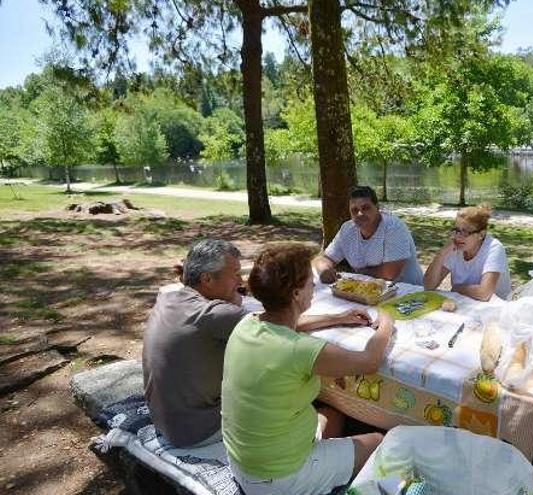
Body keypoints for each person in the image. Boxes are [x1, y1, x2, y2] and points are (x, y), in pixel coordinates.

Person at [143, 239, 370, 449]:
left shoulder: (169, 298)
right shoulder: (212, 314)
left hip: (167, 420)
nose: (240, 281)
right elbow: (281, 323)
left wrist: (233, 296)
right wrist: (338, 318)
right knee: (331, 414)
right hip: (196, 430)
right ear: (206, 279)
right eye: (234, 274)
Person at [222, 242, 393, 495]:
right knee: (378, 441)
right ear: (295, 294)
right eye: (309, 280)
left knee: (332, 415)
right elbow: (369, 361)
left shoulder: (247, 323)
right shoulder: (300, 350)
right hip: (280, 477)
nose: (314, 285)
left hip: (243, 462)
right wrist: (387, 324)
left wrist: (338, 318)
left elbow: (292, 326)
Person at [314, 185, 423, 286]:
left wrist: (359, 273)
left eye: (366, 208)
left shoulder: (394, 227)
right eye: (354, 210)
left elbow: (390, 273)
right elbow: (324, 259)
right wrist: (324, 271)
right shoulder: (347, 229)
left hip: (408, 292)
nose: (360, 214)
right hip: (369, 290)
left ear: (377, 207)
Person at [423, 204, 512, 301]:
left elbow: (484, 293)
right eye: (456, 230)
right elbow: (428, 286)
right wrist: (442, 253)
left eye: (465, 232)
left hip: (496, 309)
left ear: (481, 235)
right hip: (465, 305)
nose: (458, 236)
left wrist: (458, 288)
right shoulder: (455, 246)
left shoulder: (494, 248)